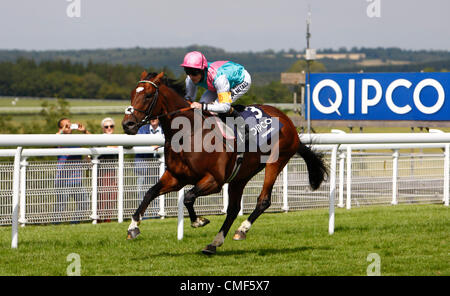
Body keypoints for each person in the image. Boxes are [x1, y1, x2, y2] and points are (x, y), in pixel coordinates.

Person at [181, 51, 252, 117]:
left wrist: (203, 106)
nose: (191, 76)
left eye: (194, 72)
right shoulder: (190, 79)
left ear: (203, 70)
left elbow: (225, 107)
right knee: (203, 103)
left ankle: (242, 128)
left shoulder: (219, 79)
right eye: (187, 71)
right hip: (217, 85)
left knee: (216, 107)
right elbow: (189, 100)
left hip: (241, 81)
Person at [54, 118, 90, 222]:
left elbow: (94, 140)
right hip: (62, 180)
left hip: (77, 180)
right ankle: (54, 225)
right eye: (66, 125)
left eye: (69, 124)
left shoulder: (76, 139)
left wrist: (84, 131)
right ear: (60, 128)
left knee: (84, 203)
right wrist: (62, 132)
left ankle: (74, 223)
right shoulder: (59, 139)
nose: (69, 127)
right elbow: (53, 138)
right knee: (60, 207)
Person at [135, 118, 163, 217]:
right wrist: (153, 145)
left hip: (159, 166)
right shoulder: (142, 129)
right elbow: (139, 142)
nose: (153, 119)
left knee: (157, 193)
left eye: (155, 117)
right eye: (151, 118)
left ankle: (156, 215)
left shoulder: (164, 128)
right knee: (142, 192)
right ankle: (143, 215)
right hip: (144, 166)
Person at [97, 117, 118, 222]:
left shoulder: (116, 138)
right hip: (102, 172)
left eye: (111, 126)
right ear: (103, 128)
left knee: (113, 195)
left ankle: (108, 219)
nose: (109, 128)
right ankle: (99, 219)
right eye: (106, 127)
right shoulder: (100, 138)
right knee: (103, 196)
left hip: (113, 171)